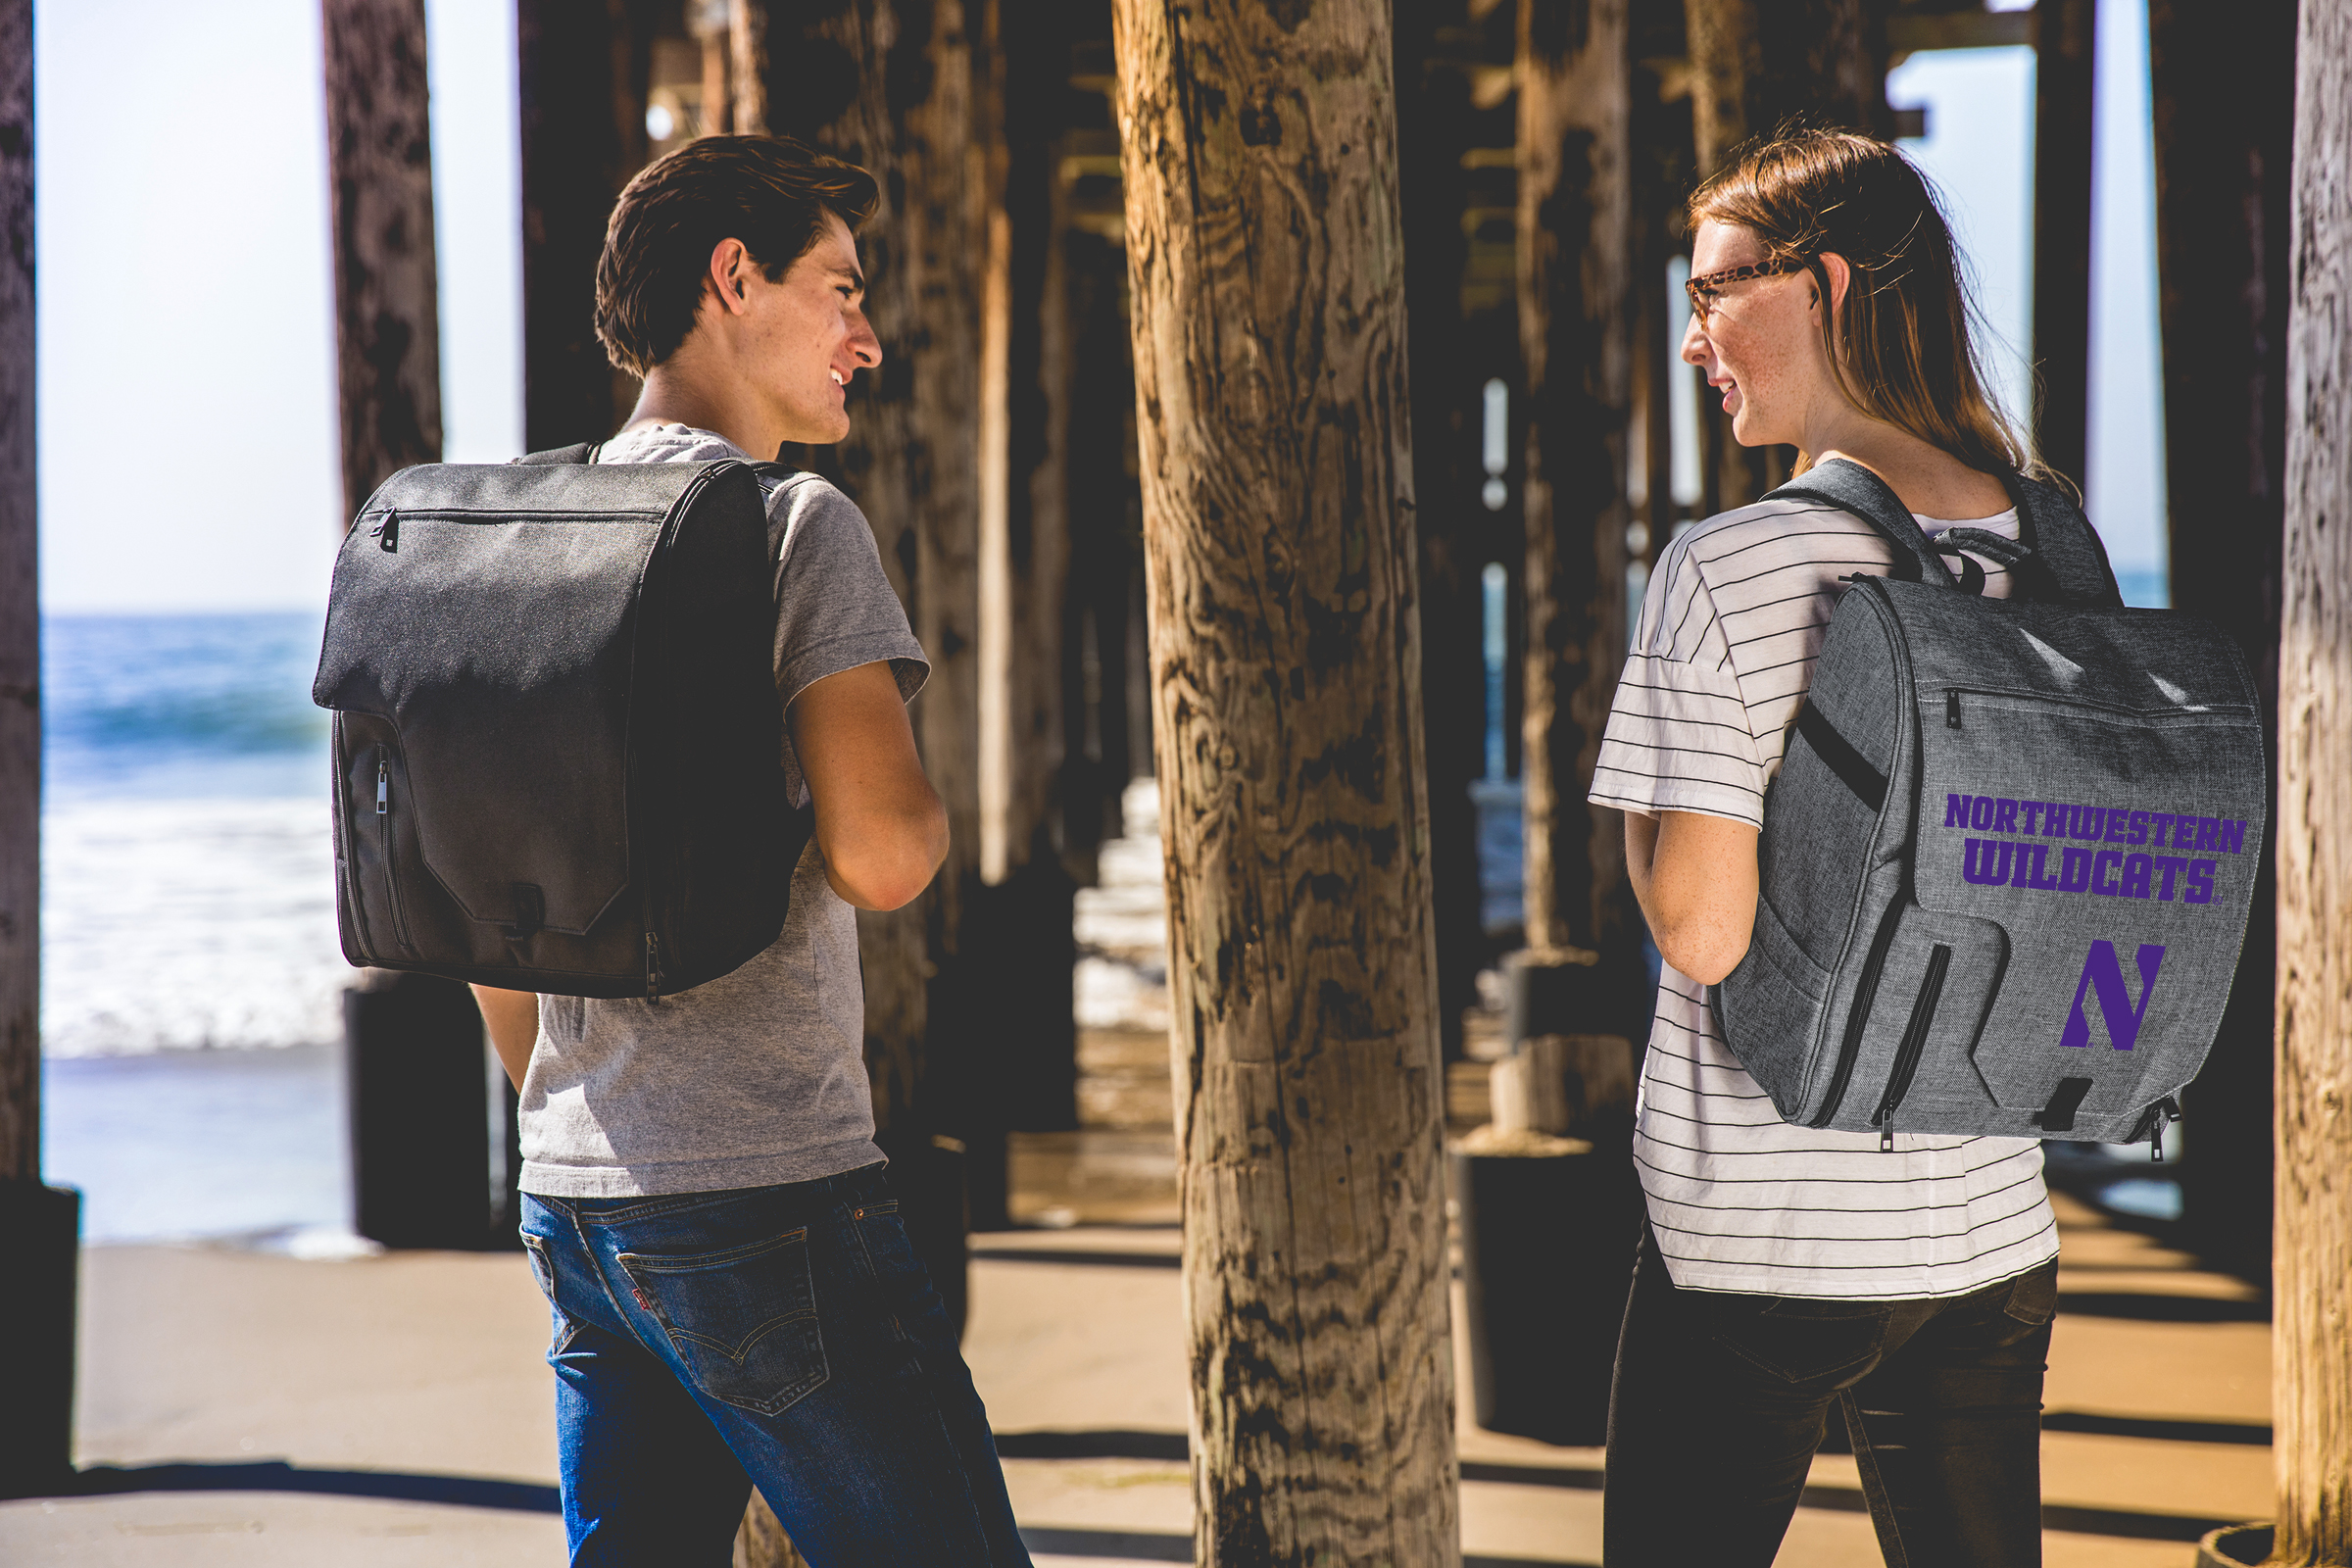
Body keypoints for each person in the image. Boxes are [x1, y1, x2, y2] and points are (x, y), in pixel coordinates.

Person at [470, 134, 1032, 1567]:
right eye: (840, 290)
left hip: (577, 1195)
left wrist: (577, 1103)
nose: (869, 334)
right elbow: (885, 855)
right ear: (736, 278)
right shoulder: (789, 526)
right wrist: (924, 798)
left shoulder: (526, 538)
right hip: (768, 1185)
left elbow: (482, 909)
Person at [1592, 130, 2066, 1568]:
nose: (1694, 341)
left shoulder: (1731, 564)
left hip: (1764, 1235)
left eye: (1715, 292)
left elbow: (1704, 932)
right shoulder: (2058, 544)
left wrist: (1643, 814)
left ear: (1830, 284)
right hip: (1991, 1232)